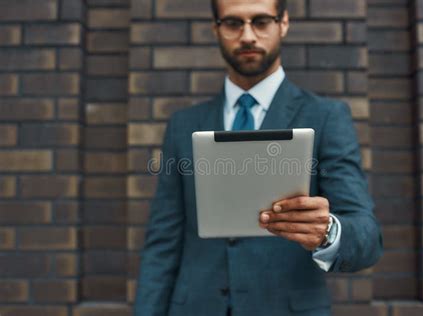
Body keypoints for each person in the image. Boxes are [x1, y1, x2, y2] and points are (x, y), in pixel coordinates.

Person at [134, 0, 383, 315]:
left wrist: (327, 232)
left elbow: (368, 236)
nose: (248, 36)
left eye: (261, 21)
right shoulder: (183, 125)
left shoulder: (326, 117)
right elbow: (162, 245)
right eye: (233, 23)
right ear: (216, 29)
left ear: (284, 23)